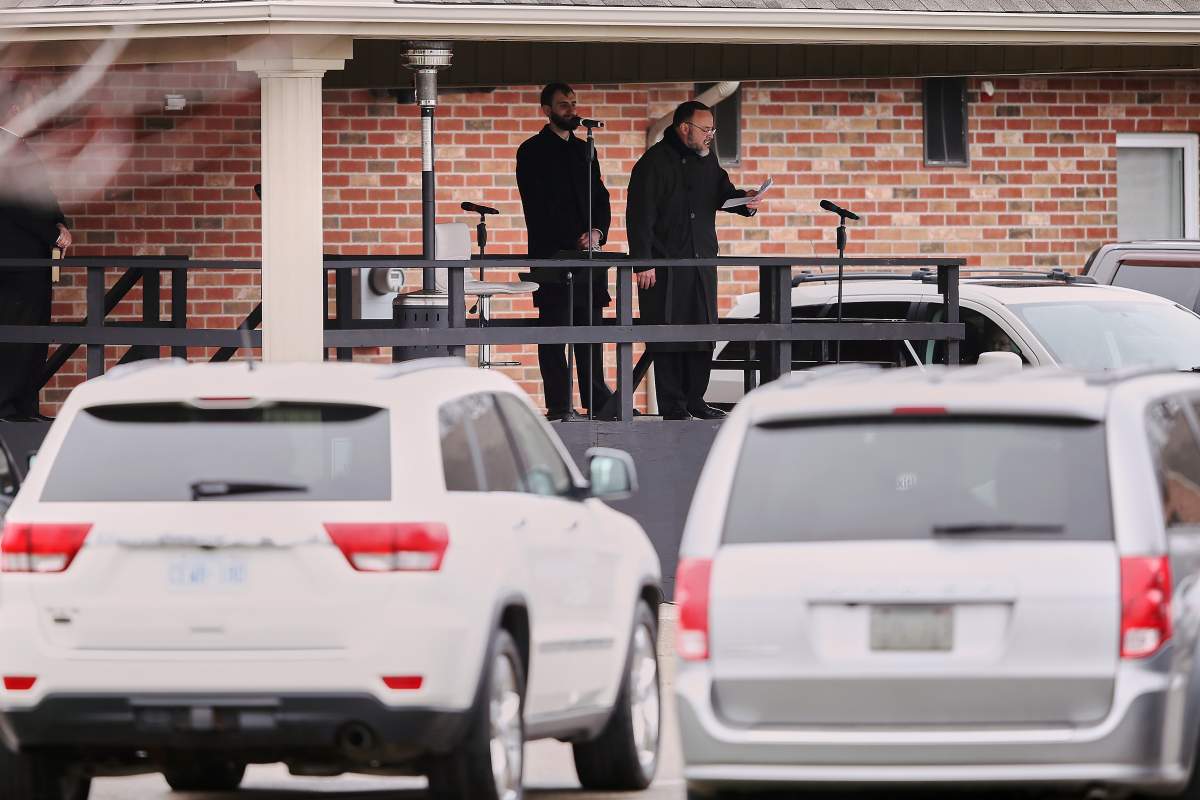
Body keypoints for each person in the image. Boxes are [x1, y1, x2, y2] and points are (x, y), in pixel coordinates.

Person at [627, 100, 762, 420]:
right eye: (706, 129)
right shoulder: (653, 163)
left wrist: (747, 201)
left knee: (702, 333)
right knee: (668, 334)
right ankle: (673, 404)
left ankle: (696, 400)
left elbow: (722, 194)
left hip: (701, 263)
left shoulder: (707, 161)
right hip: (664, 267)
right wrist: (643, 261)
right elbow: (639, 216)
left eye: (713, 129)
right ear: (684, 128)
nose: (710, 136)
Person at [516, 82, 615, 421]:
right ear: (546, 110)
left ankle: (597, 399)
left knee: (591, 329)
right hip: (552, 254)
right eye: (563, 105)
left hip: (589, 255)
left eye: (573, 103)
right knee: (555, 331)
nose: (571, 110)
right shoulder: (532, 150)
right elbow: (539, 206)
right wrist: (573, 237)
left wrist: (598, 231)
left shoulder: (584, 148)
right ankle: (559, 404)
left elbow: (600, 196)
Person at [0, 77, 71, 420]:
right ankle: (9, 407)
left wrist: (60, 222)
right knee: (17, 337)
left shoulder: (19, 147)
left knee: (33, 337)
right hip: (13, 263)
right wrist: (51, 234)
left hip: (30, 261)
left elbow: (43, 196)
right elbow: (15, 204)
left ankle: (25, 405)